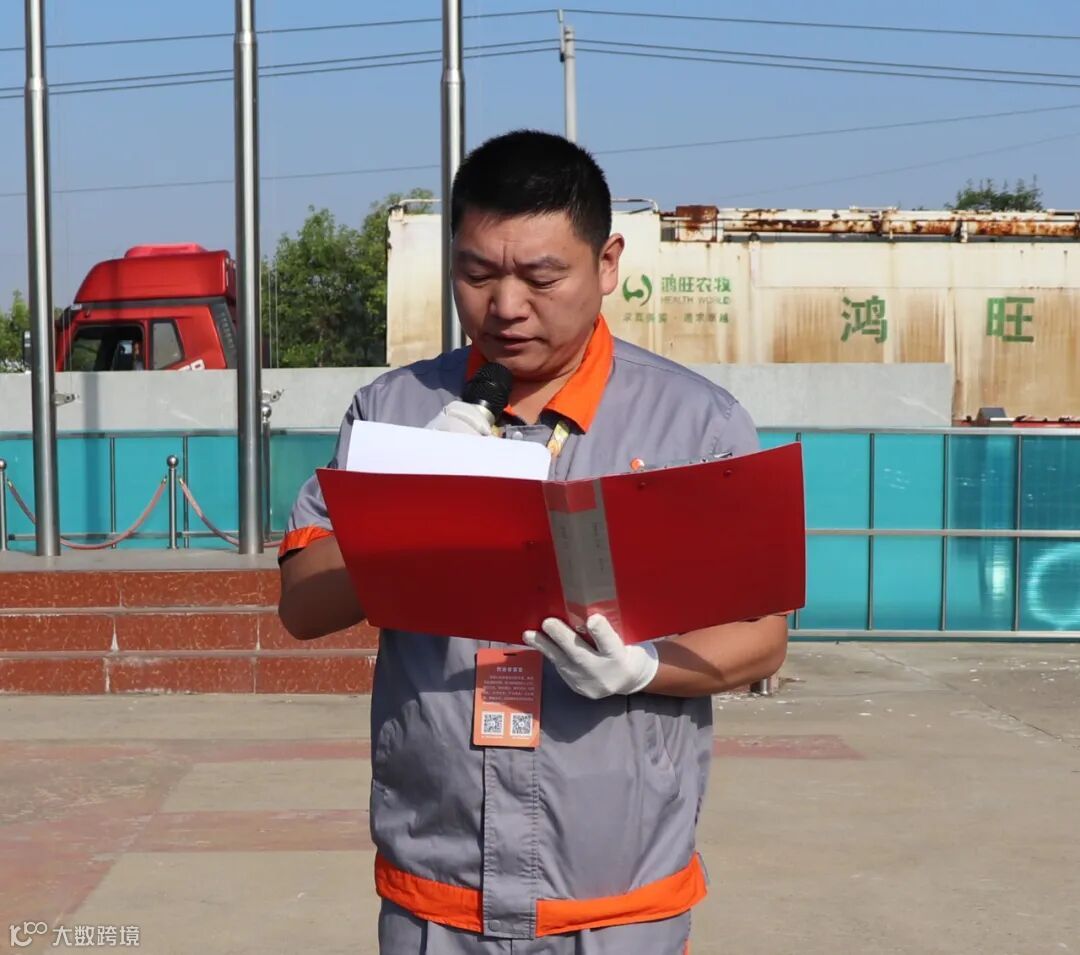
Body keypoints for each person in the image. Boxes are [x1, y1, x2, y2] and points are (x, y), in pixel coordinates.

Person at [278, 129, 788, 954]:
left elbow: (763, 636)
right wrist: (413, 498)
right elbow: (303, 602)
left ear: (608, 263)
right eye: (477, 274)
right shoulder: (393, 412)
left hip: (619, 900)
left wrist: (647, 668)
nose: (506, 306)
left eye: (542, 277)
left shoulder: (696, 425)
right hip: (438, 893)